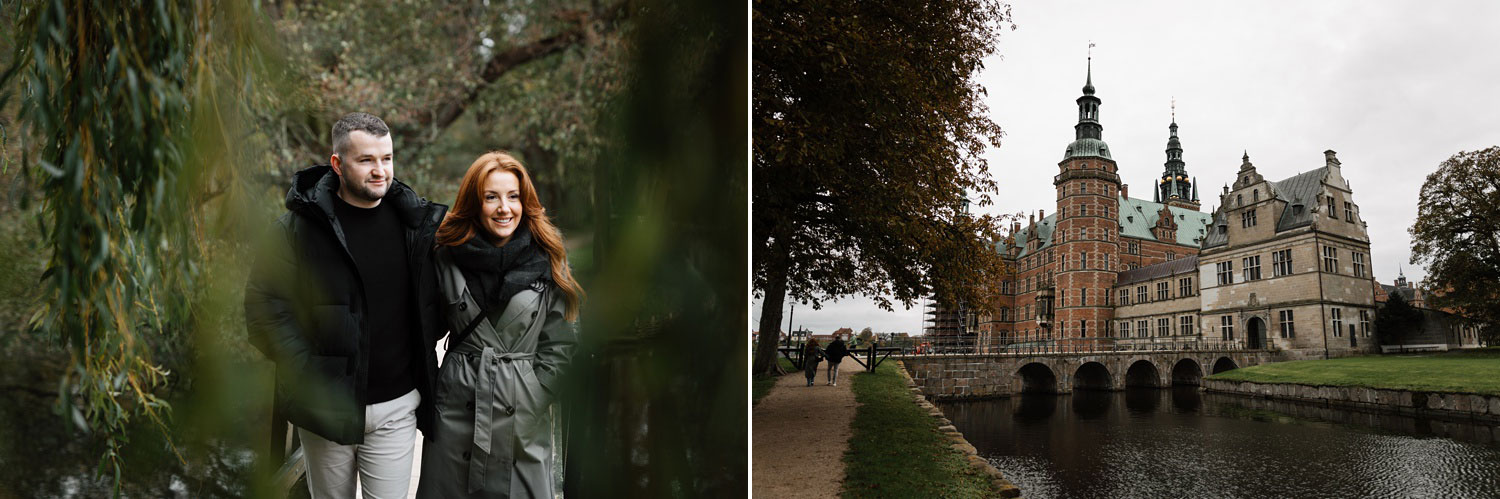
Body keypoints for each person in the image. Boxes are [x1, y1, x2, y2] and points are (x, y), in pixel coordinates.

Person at [245, 112, 448, 498]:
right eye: (366, 160)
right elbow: (264, 309)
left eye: (386, 159)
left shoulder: (416, 226)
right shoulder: (296, 231)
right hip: (325, 412)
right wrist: (308, 373)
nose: (380, 171)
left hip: (397, 407)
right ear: (337, 164)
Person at [417, 152, 584, 498]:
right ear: (474, 203)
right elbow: (420, 328)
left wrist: (535, 393)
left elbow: (562, 342)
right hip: (456, 409)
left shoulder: (548, 256)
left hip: (521, 412)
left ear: (526, 202)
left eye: (513, 196)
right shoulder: (446, 254)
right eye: (491, 197)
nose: (504, 208)